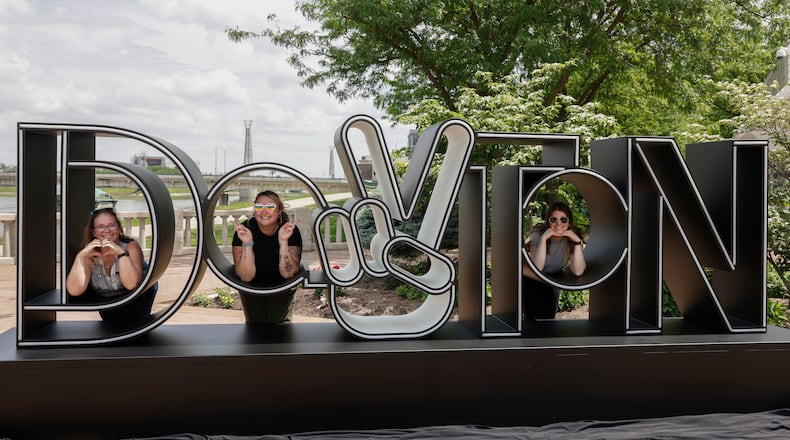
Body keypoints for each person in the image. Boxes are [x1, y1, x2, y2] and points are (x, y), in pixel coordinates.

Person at [66, 207, 155, 324]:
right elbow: (74, 290)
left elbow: (131, 284)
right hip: (106, 299)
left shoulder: (130, 247)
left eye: (111, 225)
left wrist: (120, 253)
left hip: (136, 297)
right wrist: (80, 256)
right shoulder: (88, 253)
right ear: (93, 232)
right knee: (112, 328)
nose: (106, 230)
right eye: (100, 226)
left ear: (118, 228)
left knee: (135, 327)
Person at [231, 190, 303, 324]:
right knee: (255, 325)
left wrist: (283, 241)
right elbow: (246, 276)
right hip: (251, 287)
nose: (264, 211)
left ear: (279, 210)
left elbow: (288, 273)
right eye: (259, 207)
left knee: (279, 324)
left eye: (270, 207)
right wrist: (247, 243)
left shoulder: (289, 230)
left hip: (281, 285)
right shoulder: (244, 229)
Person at [522, 202, 586, 319]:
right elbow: (537, 269)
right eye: (553, 219)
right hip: (531, 280)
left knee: (548, 319)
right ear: (548, 221)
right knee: (531, 320)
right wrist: (543, 239)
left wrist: (577, 241)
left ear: (569, 221)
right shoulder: (539, 235)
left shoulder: (572, 238)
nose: (558, 224)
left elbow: (578, 271)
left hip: (553, 280)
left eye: (563, 219)